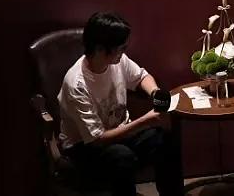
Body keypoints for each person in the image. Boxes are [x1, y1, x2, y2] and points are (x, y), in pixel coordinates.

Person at [57, 12, 180, 196]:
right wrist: (145, 121)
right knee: (122, 157)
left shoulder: (117, 61)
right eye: (120, 48)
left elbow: (141, 76)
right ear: (100, 49)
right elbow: (97, 139)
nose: (123, 52)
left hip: (119, 131)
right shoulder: (77, 84)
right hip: (83, 147)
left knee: (166, 139)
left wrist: (155, 93)